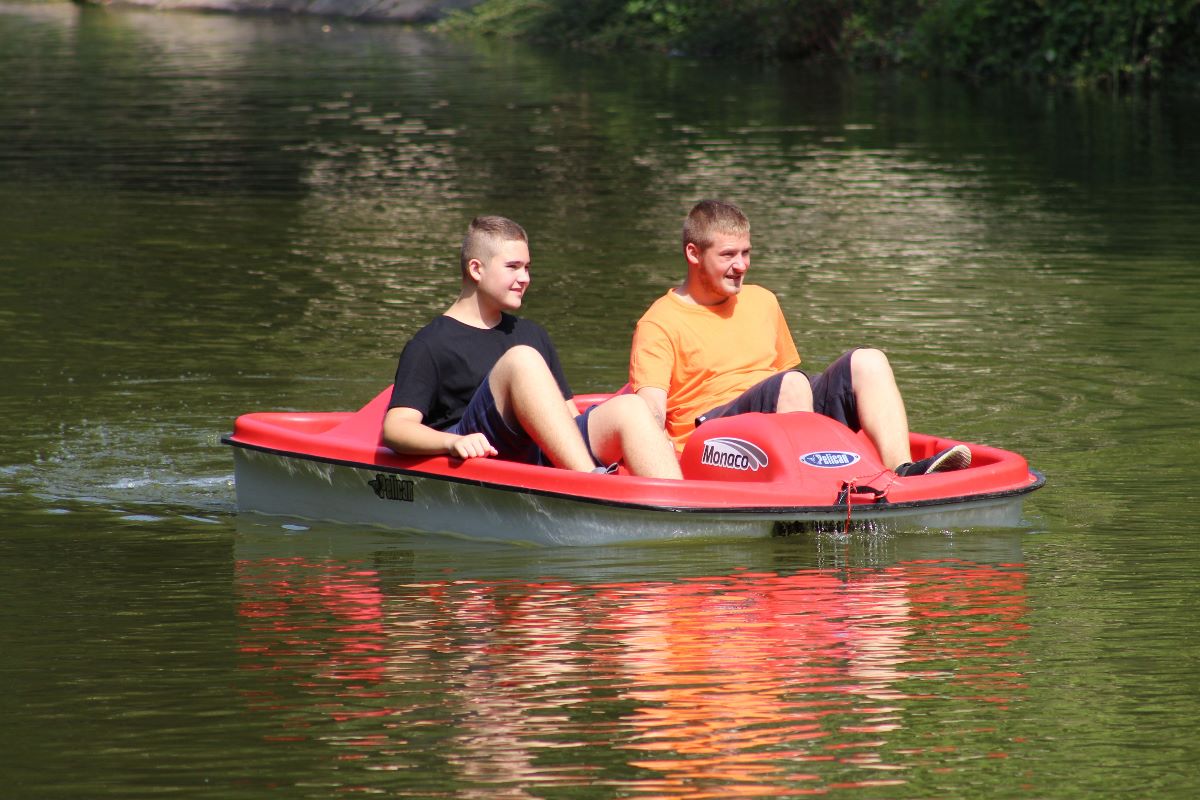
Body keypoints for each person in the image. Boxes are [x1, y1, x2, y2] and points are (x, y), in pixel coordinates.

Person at [629, 199, 970, 477]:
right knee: (791, 383)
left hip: (781, 414)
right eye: (728, 255)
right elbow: (650, 414)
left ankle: (903, 471)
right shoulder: (660, 322)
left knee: (869, 361)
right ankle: (812, 491)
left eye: (746, 253)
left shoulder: (763, 300)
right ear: (693, 254)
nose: (742, 265)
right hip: (713, 439)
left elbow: (787, 382)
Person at [383, 215, 682, 480]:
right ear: (476, 269)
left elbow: (567, 418)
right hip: (477, 452)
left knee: (631, 407)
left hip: (540, 454)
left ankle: (678, 508)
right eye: (513, 267)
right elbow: (396, 428)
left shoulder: (531, 333)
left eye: (527, 267)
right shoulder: (430, 344)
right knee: (522, 360)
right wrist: (452, 443)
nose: (525, 278)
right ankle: (590, 484)